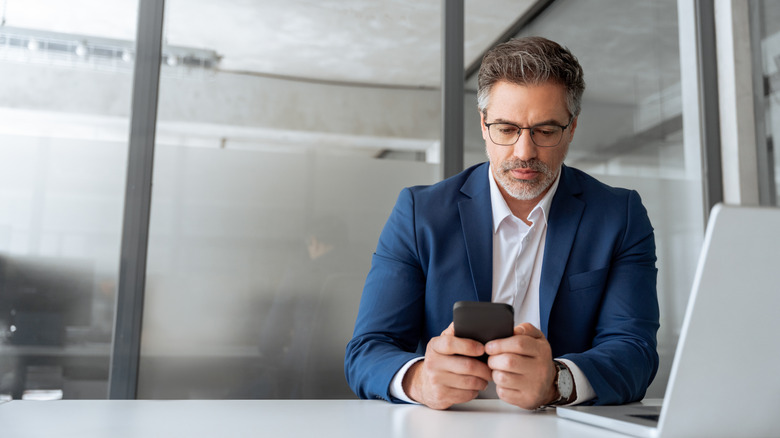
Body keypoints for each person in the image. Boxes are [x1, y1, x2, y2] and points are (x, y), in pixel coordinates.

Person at [344, 37, 659, 410]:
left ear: (571, 129)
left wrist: (557, 381)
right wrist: (420, 380)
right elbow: (367, 350)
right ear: (483, 125)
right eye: (506, 129)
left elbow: (635, 351)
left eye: (545, 131)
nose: (524, 152)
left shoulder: (619, 216)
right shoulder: (420, 213)